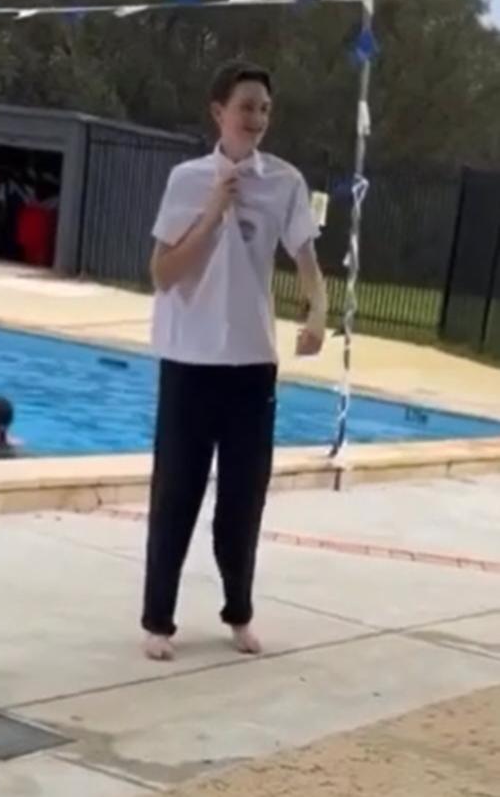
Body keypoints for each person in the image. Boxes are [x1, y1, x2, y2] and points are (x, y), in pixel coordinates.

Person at [142, 61, 328, 661]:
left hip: (251, 366)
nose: (256, 119)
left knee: (244, 499)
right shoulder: (187, 180)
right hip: (189, 362)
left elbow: (305, 259)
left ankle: (239, 612)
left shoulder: (285, 182)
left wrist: (317, 310)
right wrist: (211, 214)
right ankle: (158, 622)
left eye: (265, 109)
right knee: (177, 495)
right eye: (246, 106)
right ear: (218, 111)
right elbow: (163, 274)